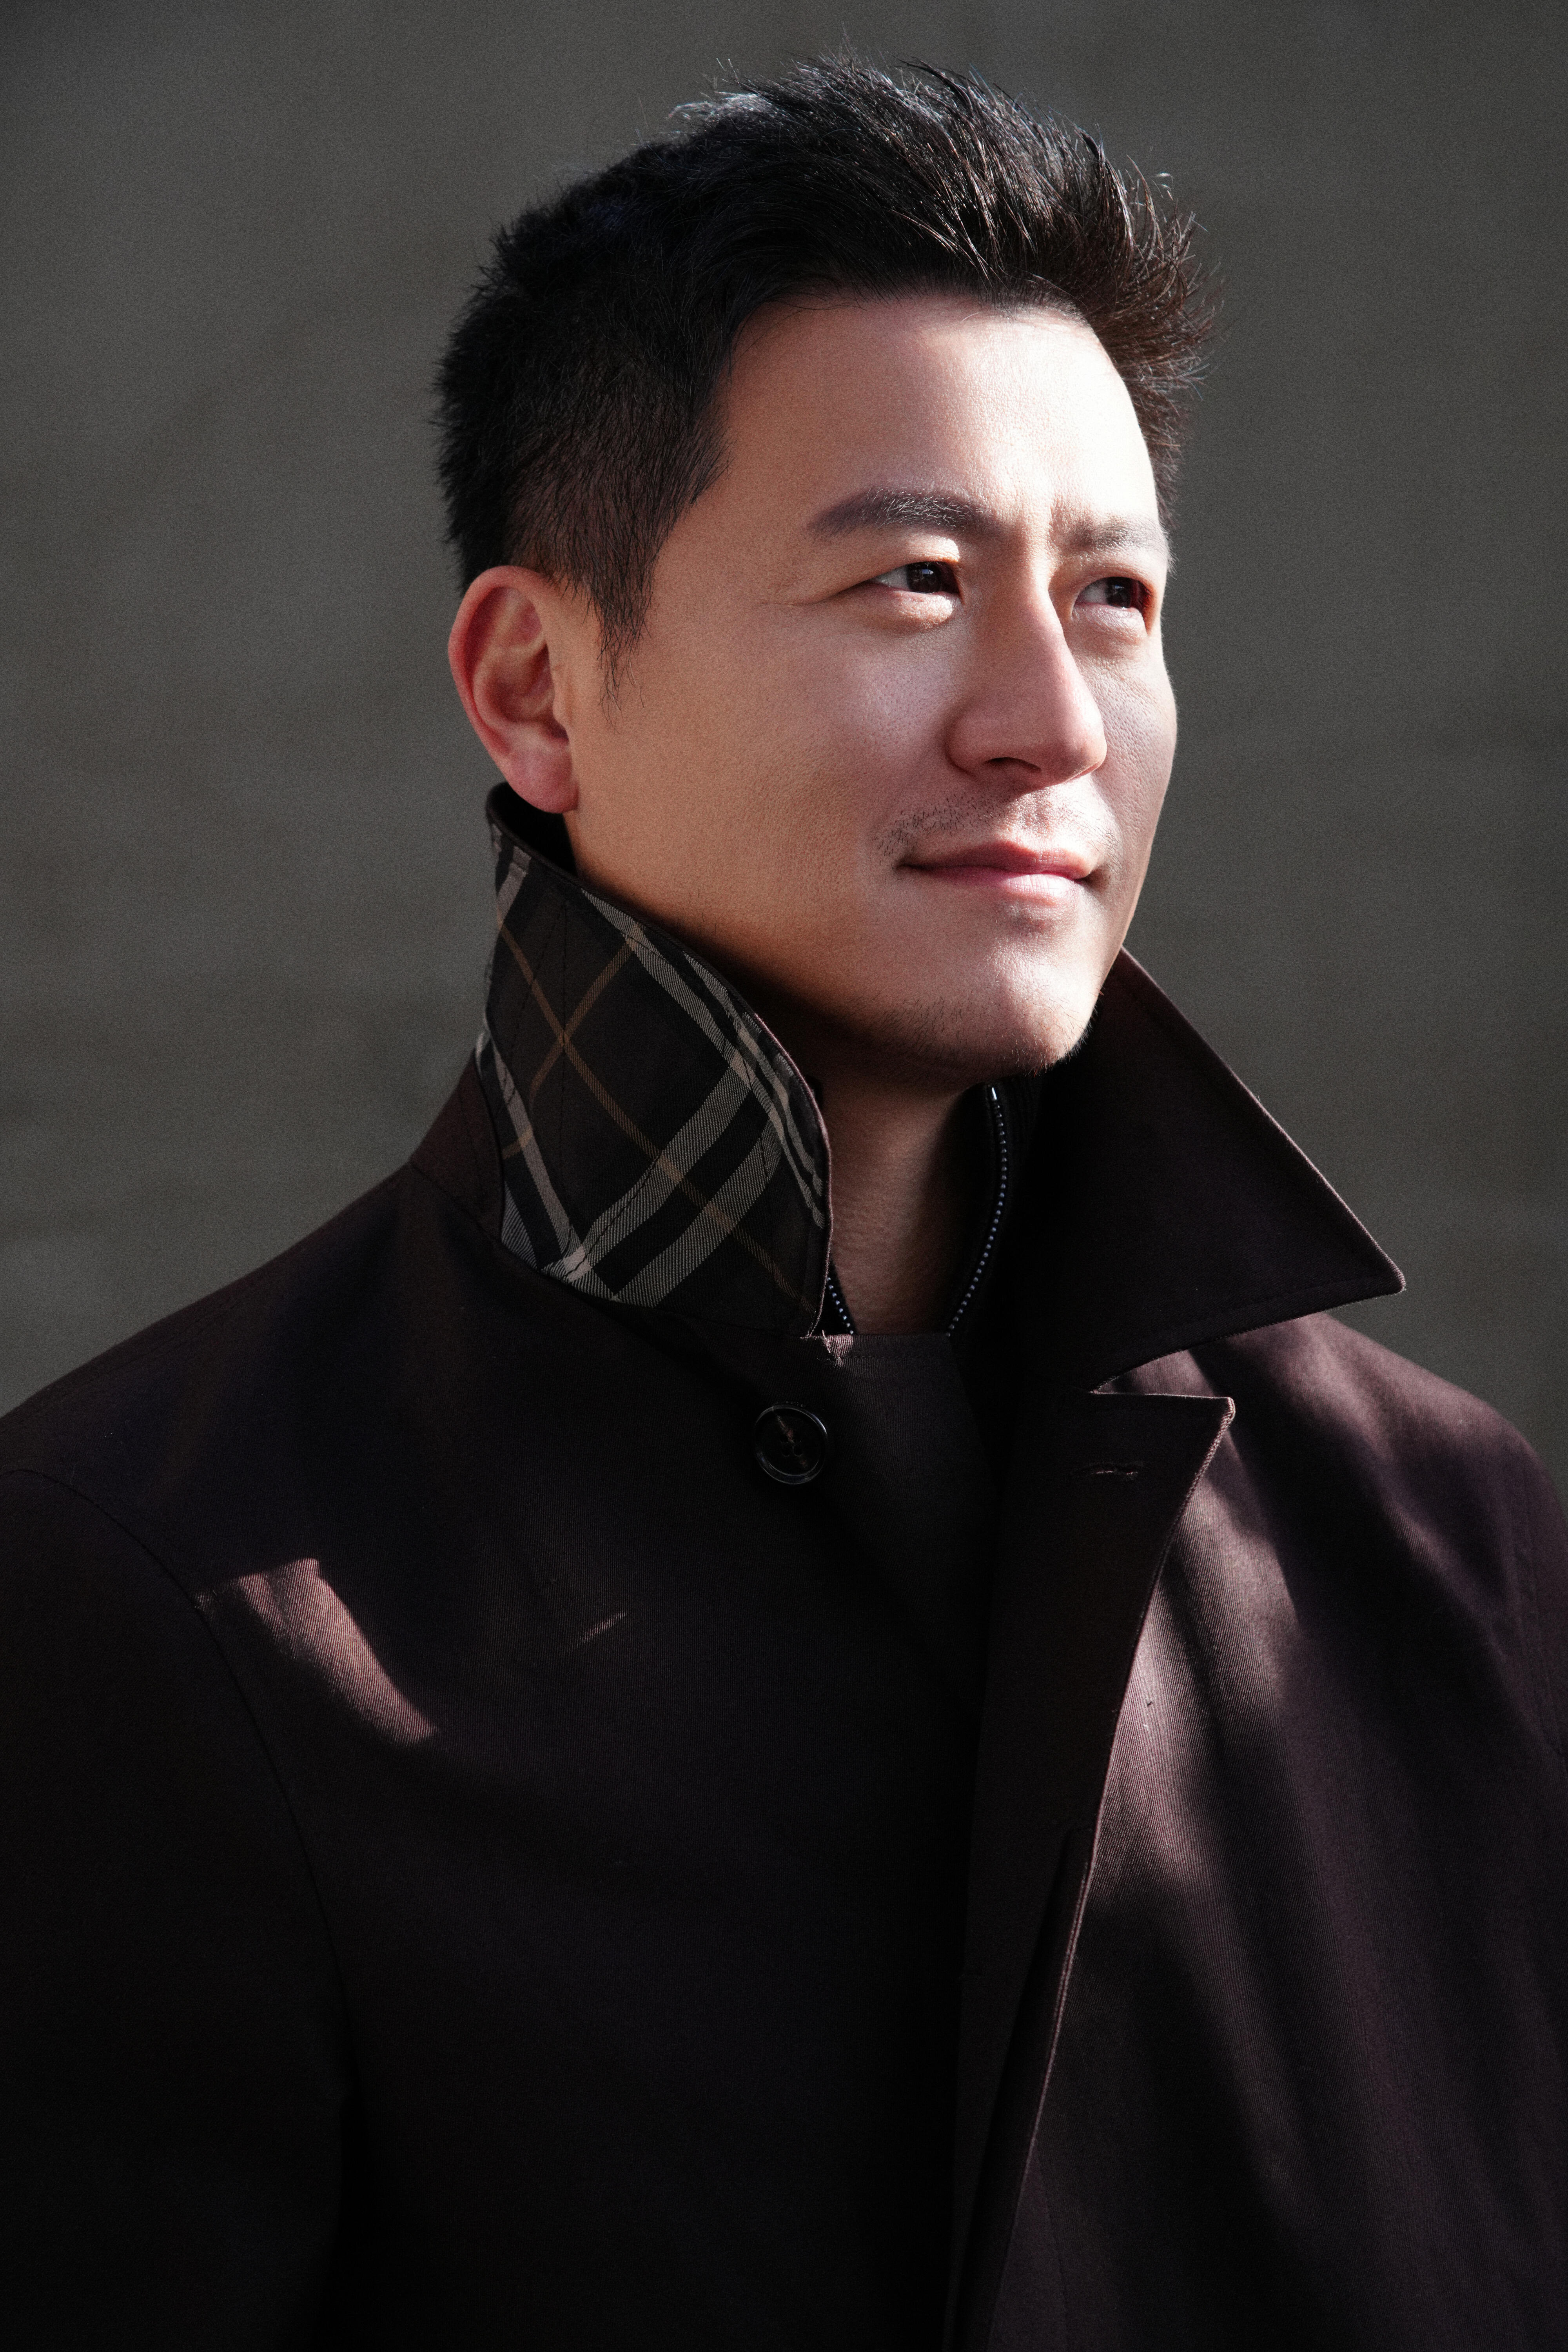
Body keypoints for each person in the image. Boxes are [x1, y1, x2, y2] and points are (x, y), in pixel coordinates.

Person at [1, 55, 1563, 2352]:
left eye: (1116, 597)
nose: (1050, 718)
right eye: (915, 582)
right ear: (537, 685)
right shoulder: (147, 1593)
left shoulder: (1446, 1545)